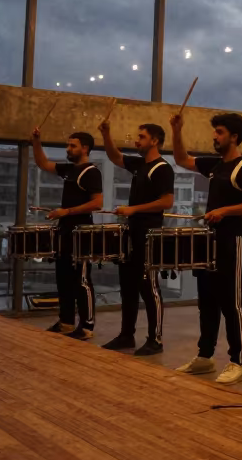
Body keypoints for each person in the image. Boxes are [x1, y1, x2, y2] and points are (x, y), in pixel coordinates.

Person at [170, 112, 242, 385]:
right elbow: (181, 159)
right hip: (209, 242)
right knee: (207, 302)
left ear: (234, 136)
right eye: (215, 131)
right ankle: (205, 356)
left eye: (219, 132)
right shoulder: (214, 165)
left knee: (232, 304)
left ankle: (237, 360)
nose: (215, 136)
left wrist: (224, 210)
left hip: (231, 241)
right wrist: (176, 130)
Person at [97, 121, 175, 355]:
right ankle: (126, 335)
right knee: (128, 286)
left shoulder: (162, 168)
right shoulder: (140, 165)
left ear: (155, 141)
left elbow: (167, 201)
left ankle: (155, 340)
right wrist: (106, 134)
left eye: (141, 137)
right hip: (133, 233)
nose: (136, 140)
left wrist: (133, 209)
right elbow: (115, 157)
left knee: (149, 287)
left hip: (149, 235)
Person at [31, 129, 103, 340]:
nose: (68, 149)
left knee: (81, 279)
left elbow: (97, 203)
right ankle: (66, 322)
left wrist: (67, 212)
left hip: (82, 233)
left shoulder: (91, 172)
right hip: (66, 231)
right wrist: (36, 141)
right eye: (67, 145)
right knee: (63, 278)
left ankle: (87, 326)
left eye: (73, 146)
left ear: (85, 148)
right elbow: (43, 163)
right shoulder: (69, 169)